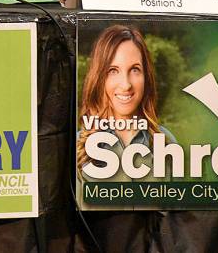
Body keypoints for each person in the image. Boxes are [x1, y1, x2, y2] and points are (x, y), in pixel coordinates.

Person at [75, 25, 175, 180]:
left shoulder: (165, 142)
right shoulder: (79, 147)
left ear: (146, 77)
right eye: (113, 71)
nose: (126, 84)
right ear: (99, 78)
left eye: (135, 70)